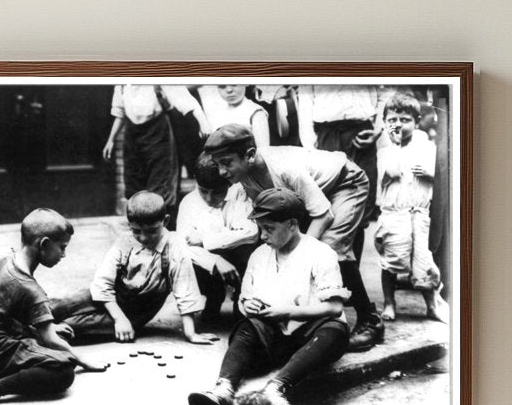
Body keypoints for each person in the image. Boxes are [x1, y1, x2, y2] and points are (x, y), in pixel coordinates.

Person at [201, 123, 384, 351]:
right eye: (218, 164)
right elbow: (271, 221)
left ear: (249, 155)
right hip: (313, 192)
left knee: (331, 250)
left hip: (346, 182)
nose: (222, 172)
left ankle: (370, 320)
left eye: (226, 163)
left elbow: (323, 214)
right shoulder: (244, 175)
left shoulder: (285, 168)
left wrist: (301, 254)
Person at [188, 189, 350, 405]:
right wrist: (247, 305)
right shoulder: (259, 255)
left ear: (293, 224)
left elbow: (335, 307)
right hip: (272, 337)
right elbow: (245, 299)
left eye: (269, 228)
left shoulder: (320, 253)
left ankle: (275, 390)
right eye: (260, 228)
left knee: (336, 330)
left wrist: (288, 312)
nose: (262, 235)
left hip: (307, 336)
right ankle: (223, 391)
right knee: (246, 326)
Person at [0, 209, 108, 405]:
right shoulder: (31, 290)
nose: (64, 255)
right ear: (44, 244)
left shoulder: (4, 255)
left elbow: (7, 304)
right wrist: (82, 360)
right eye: (62, 247)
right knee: (63, 369)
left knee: (58, 336)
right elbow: (48, 337)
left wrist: (42, 329)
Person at [53, 191, 219, 345]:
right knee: (59, 307)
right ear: (129, 225)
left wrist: (191, 334)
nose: (144, 237)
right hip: (106, 295)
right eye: (136, 231)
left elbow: (185, 291)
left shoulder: (175, 247)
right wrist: (119, 318)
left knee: (69, 328)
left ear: (166, 221)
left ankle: (40, 333)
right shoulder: (125, 241)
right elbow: (102, 284)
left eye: (152, 231)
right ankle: (32, 320)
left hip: (135, 313)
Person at [374, 92, 445, 321]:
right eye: (392, 120)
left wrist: (429, 173)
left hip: (420, 214)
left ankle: (432, 305)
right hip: (394, 216)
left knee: (424, 263)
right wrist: (395, 144)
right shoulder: (385, 151)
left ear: (416, 122)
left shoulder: (427, 148)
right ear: (385, 124)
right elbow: (389, 174)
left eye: (404, 120)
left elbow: (441, 180)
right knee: (391, 262)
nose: (398, 124)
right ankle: (389, 302)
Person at [102, 85, 211, 218]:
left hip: (158, 134)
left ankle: (161, 229)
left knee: (161, 186)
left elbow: (184, 100)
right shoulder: (122, 83)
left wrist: (203, 121)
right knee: (134, 186)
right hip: (133, 136)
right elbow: (120, 113)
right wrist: (111, 140)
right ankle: (139, 230)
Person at [175, 153, 258, 323]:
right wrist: (216, 261)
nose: (209, 198)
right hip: (208, 260)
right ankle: (214, 298)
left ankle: (242, 299)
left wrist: (206, 239)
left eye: (217, 192)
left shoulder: (240, 195)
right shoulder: (189, 203)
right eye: (203, 191)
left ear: (229, 183)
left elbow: (250, 232)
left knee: (250, 254)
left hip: (237, 255)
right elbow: (183, 246)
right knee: (185, 261)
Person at [197, 85, 271, 147]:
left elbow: (263, 152)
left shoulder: (256, 112)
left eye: (234, 84)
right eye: (222, 86)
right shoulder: (217, 113)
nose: (229, 90)